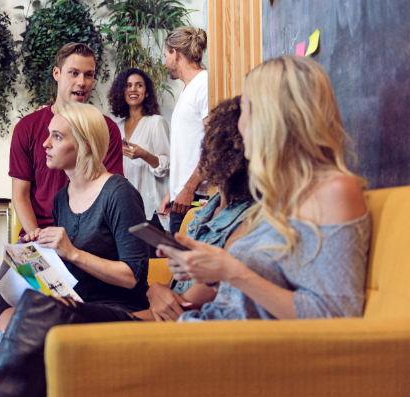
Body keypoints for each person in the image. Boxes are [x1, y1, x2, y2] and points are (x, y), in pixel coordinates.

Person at [0, 43, 126, 396]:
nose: (82, 81)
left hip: (83, 239)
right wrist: (35, 232)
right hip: (38, 234)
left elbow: (103, 191)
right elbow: (20, 193)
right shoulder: (28, 128)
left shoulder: (105, 131)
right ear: (57, 74)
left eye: (89, 74)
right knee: (1, 308)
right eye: (74, 73)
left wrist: (74, 247)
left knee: (28, 318)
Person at [161, 55, 370, 322]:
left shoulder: (336, 191)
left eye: (246, 108)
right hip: (203, 331)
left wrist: (230, 270)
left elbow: (335, 315)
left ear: (273, 117)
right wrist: (209, 272)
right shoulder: (279, 196)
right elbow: (260, 290)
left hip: (235, 351)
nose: (240, 123)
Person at [0, 103, 149, 397]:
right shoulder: (62, 199)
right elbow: (68, 273)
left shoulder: (119, 193)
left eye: (57, 137)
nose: (46, 144)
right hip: (77, 304)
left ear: (83, 145)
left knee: (14, 327)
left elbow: (133, 276)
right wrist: (36, 259)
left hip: (118, 309)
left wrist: (71, 252)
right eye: (49, 135)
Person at [137, 95, 254, 321]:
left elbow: (184, 306)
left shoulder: (249, 222)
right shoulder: (205, 211)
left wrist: (157, 294)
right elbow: (174, 289)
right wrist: (155, 290)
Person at [108, 68, 171, 237]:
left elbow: (167, 164)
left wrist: (144, 154)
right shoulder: (117, 127)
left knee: (151, 261)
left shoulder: (156, 122)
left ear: (147, 92)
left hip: (150, 209)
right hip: (123, 207)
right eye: (128, 85)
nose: (133, 89)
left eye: (139, 85)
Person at [158, 26, 209, 236]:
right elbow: (188, 148)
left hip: (196, 198)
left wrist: (188, 190)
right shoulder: (188, 89)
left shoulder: (204, 84)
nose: (165, 63)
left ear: (175, 54)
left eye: (166, 56)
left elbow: (214, 144)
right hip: (183, 198)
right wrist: (174, 191)